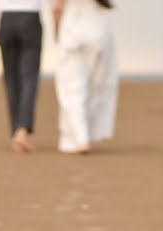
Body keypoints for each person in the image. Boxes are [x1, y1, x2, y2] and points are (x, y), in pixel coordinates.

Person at [53, 0, 117, 154]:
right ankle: (85, 134)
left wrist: (57, 32)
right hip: (97, 31)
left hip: (72, 31)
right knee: (92, 86)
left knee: (73, 87)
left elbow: (57, 7)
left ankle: (80, 138)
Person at [0, 0, 49, 153]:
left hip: (7, 18)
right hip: (31, 17)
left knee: (10, 79)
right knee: (29, 77)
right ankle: (22, 131)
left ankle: (17, 131)